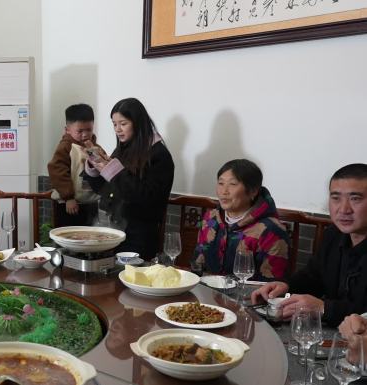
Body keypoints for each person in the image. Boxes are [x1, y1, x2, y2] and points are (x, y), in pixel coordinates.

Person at [252, 163, 367, 326]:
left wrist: (323, 308)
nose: (343, 209)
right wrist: (285, 286)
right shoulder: (334, 234)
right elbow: (313, 276)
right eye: (335, 198)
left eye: (355, 199)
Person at [83, 97, 174, 258]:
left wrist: (112, 171)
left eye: (123, 124)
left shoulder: (159, 155)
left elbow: (147, 196)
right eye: (114, 124)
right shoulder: (123, 150)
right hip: (113, 230)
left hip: (140, 235)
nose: (118, 129)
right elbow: (105, 189)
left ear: (138, 123)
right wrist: (95, 166)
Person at [192, 159, 289, 281]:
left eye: (232, 184)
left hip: (246, 297)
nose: (224, 191)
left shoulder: (271, 231)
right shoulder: (210, 218)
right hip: (207, 293)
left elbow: (270, 286)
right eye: (221, 183)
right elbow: (197, 264)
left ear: (253, 191)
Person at [47, 104, 104, 226]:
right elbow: (57, 171)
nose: (85, 134)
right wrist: (68, 197)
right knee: (67, 237)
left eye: (89, 130)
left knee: (89, 238)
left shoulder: (95, 147)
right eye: (80, 131)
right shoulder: (66, 146)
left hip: (89, 203)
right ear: (67, 129)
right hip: (68, 203)